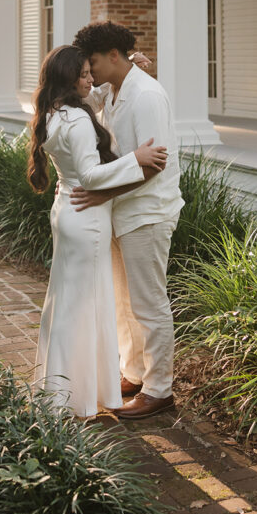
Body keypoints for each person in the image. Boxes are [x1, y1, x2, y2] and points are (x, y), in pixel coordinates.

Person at [27, 44, 167, 418]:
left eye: (93, 71)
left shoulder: (54, 113)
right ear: (71, 79)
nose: (93, 80)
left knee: (68, 302)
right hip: (85, 217)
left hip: (67, 211)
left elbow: (101, 92)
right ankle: (77, 395)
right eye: (85, 74)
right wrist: (133, 160)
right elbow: (89, 175)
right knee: (87, 306)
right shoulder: (77, 119)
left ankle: (61, 387)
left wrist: (130, 64)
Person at [71, 21, 184, 420]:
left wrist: (101, 194)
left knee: (150, 304)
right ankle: (134, 374)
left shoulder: (147, 95)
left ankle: (160, 390)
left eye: (95, 61)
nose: (91, 70)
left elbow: (154, 163)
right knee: (124, 303)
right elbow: (88, 92)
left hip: (147, 213)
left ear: (114, 56)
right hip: (122, 211)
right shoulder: (113, 87)